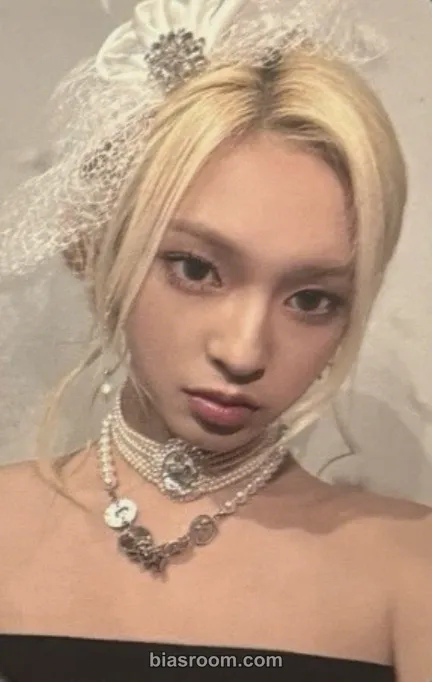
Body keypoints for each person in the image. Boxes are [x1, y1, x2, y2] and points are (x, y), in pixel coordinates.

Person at [0, 0, 431, 680]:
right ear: (110, 251)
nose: (244, 353)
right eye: (197, 269)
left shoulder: (410, 572)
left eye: (311, 299)